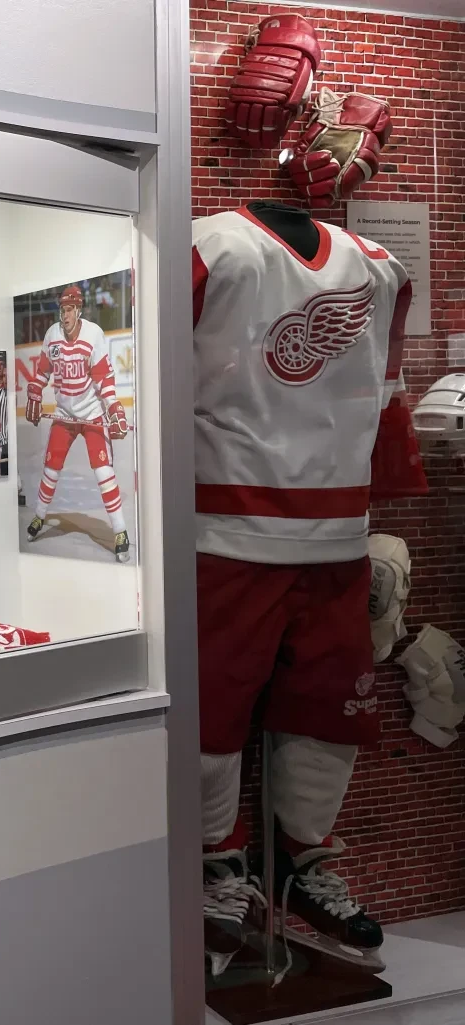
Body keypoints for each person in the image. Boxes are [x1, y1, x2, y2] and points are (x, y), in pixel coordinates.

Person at [193, 201, 413, 976]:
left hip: (337, 540)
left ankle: (300, 859)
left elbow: (383, 407)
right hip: (222, 535)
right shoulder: (205, 246)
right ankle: (219, 866)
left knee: (333, 710)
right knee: (209, 714)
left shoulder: (382, 267)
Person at [24, 285, 131, 562]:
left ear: (79, 309)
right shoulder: (52, 336)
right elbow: (42, 373)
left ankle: (120, 531)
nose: (65, 314)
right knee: (50, 469)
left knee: (103, 471)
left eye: (70, 309)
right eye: (62, 309)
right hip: (64, 414)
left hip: (92, 414)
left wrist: (114, 407)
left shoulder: (93, 335)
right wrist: (35, 390)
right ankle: (38, 517)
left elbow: (103, 380)